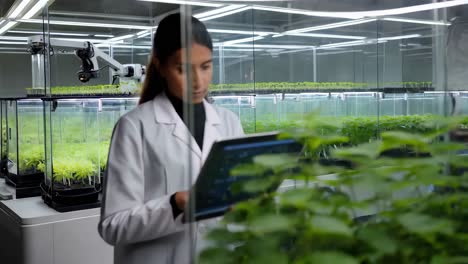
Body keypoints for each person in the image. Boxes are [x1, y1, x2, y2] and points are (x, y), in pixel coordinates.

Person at [98, 13, 244, 264]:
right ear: (161, 66)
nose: (198, 81)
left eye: (206, 66)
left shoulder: (229, 121)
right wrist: (175, 204)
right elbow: (113, 226)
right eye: (183, 69)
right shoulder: (134, 127)